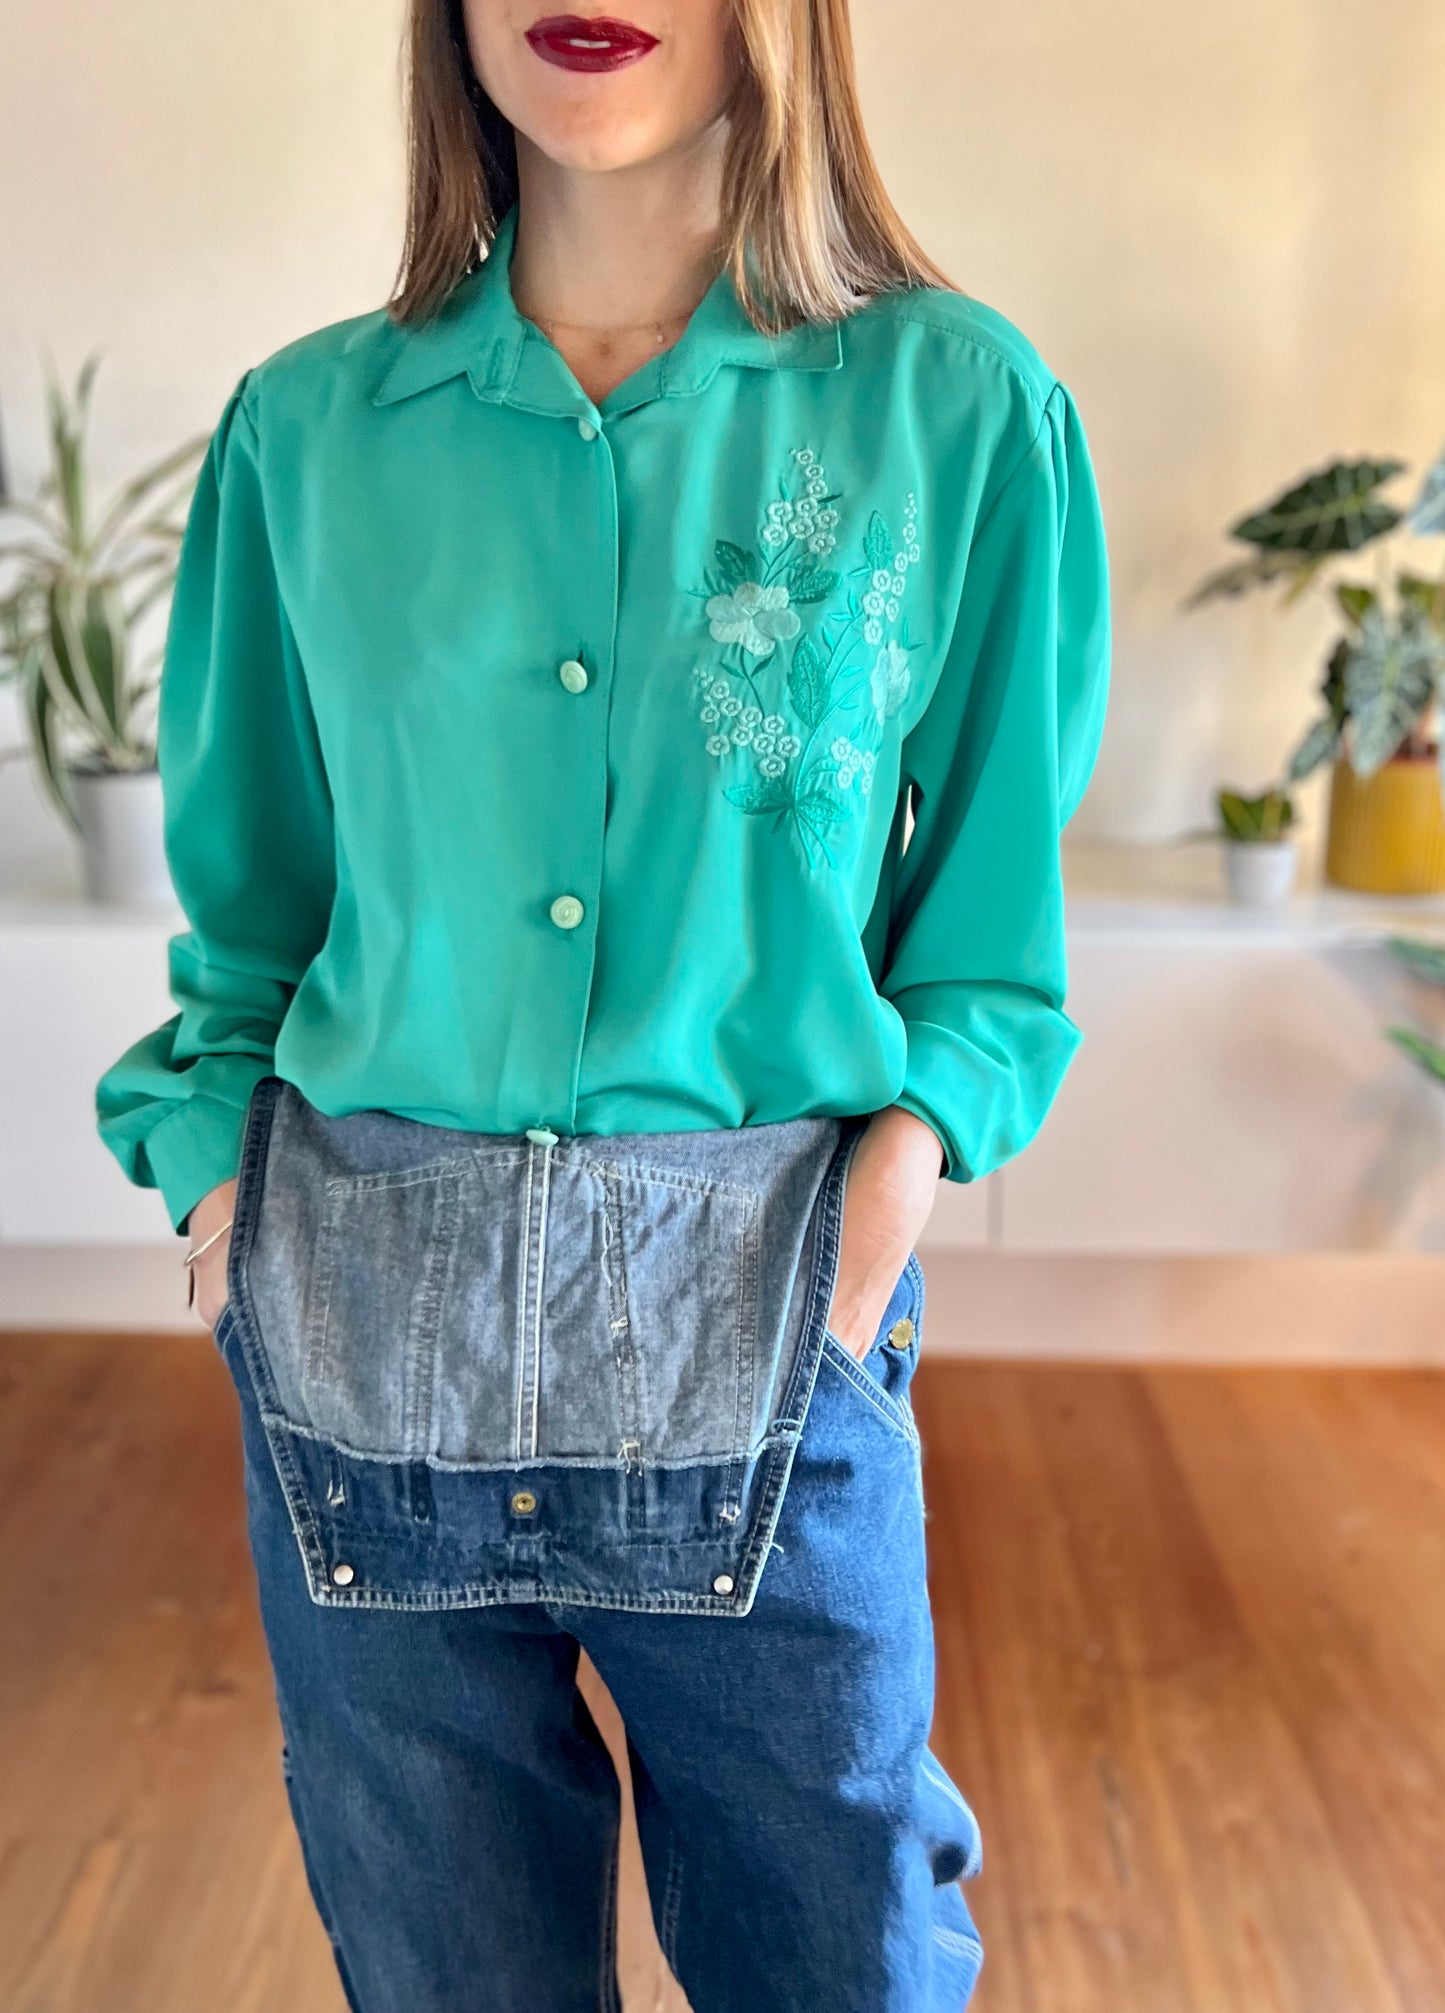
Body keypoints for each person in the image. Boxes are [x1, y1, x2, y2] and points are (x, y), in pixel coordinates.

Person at [95, 0, 1110, 2005]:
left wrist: (886, 1194)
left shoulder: (961, 410)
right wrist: (229, 1192)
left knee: (846, 1959)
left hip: (769, 1311)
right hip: (358, 1331)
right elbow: (252, 923)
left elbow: (988, 935)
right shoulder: (307, 438)